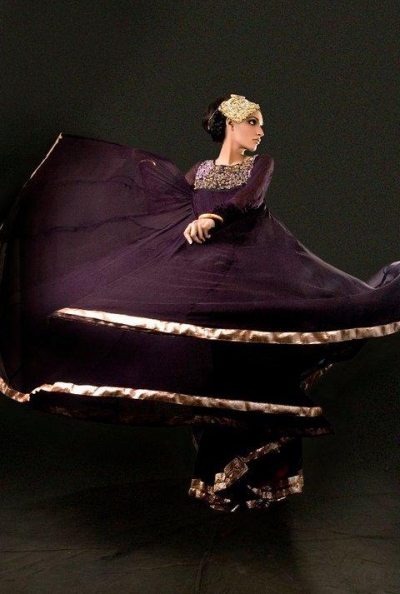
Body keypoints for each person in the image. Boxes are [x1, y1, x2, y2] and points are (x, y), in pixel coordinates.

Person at [1, 94, 400, 512]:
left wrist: (212, 218)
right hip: (204, 278)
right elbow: (174, 207)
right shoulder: (198, 172)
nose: (261, 131)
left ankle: (258, 470)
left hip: (252, 275)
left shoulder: (259, 166)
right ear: (230, 123)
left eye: (261, 124)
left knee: (252, 361)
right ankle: (221, 474)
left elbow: (248, 201)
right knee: (210, 367)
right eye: (253, 122)